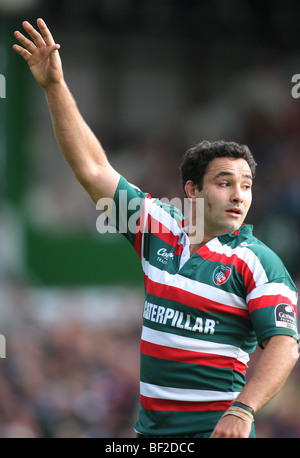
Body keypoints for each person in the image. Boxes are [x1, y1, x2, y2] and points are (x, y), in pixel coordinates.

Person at [13, 18, 299, 439]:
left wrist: (243, 410)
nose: (239, 195)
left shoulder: (258, 262)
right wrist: (54, 86)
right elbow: (93, 169)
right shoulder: (157, 228)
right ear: (192, 190)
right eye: (224, 183)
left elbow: (286, 344)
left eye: (247, 185)